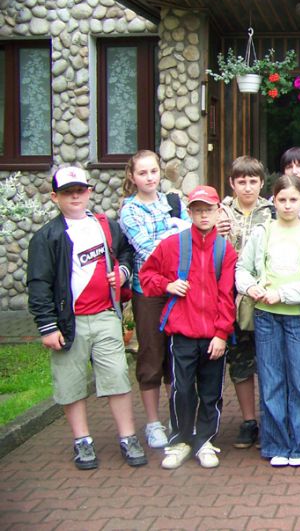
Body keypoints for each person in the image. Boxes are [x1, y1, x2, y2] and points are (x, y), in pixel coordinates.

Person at [27, 166, 146, 470]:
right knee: (71, 384)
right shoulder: (47, 237)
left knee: (117, 377)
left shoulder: (106, 226)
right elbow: (39, 285)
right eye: (67, 192)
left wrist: (122, 273)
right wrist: (47, 326)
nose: (75, 196)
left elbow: (126, 253)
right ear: (55, 197)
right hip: (69, 322)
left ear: (89, 192)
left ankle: (128, 437)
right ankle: (82, 440)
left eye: (80, 190)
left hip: (105, 315)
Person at [139, 185, 238, 470]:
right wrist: (167, 285)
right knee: (181, 389)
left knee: (211, 391)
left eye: (209, 209)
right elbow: (146, 275)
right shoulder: (173, 245)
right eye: (198, 210)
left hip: (213, 336)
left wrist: (221, 333)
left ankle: (205, 440)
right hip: (182, 331)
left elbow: (227, 295)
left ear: (218, 211)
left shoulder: (225, 250)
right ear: (190, 213)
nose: (204, 215)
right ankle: (180, 440)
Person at [235, 175, 300, 467]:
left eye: (293, 199)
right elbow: (242, 269)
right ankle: (275, 443)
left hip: (298, 318)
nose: (288, 205)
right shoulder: (263, 232)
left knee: (298, 381)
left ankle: (298, 446)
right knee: (271, 379)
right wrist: (251, 287)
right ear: (273, 201)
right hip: (265, 317)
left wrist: (283, 294)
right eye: (282, 199)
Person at [118, 150, 190, 449]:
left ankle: (176, 417)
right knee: (151, 355)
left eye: (153, 171)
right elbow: (148, 250)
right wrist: (174, 236)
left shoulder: (173, 202)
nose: (149, 178)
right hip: (148, 291)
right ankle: (152, 423)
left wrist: (178, 237)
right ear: (132, 177)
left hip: (179, 288)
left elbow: (188, 236)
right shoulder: (129, 211)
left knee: (177, 353)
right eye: (142, 173)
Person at [216, 156, 275, 450]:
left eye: (253, 181)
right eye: (242, 181)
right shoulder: (220, 212)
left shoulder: (272, 212)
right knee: (240, 362)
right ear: (232, 183)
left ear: (262, 183)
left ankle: (270, 419)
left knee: (268, 361)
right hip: (232, 299)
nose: (248, 187)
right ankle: (249, 420)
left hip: (265, 298)